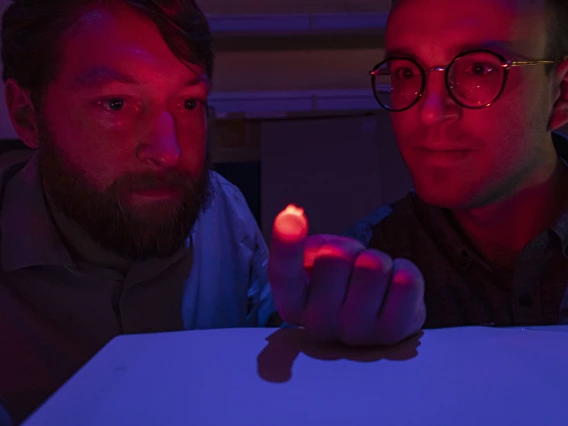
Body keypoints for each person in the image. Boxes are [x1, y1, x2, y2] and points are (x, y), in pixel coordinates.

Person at [0, 0, 425, 424]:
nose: (169, 152)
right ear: (26, 114)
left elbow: (266, 335)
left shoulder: (220, 209)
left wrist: (336, 318)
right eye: (115, 104)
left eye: (188, 103)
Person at [346, 0, 568, 329]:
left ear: (561, 94)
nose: (430, 112)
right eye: (406, 73)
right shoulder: (366, 269)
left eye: (479, 69)